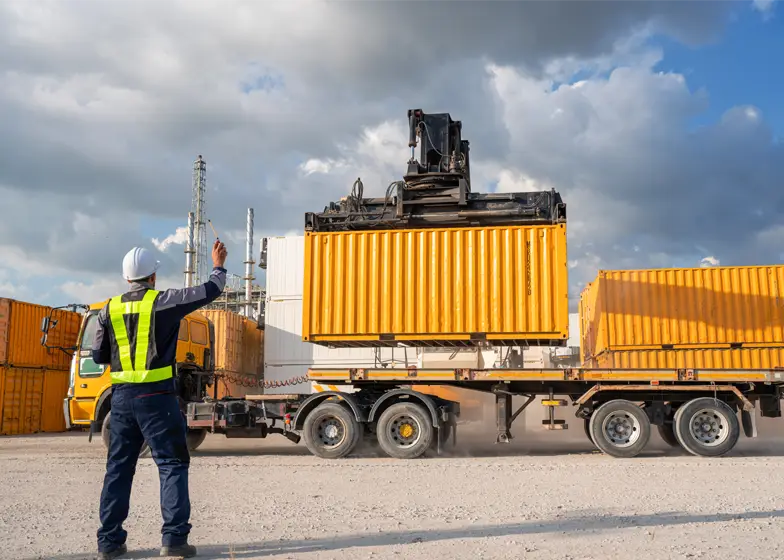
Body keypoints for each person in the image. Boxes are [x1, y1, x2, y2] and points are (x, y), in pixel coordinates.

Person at [92, 240, 228, 559]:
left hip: (121, 400)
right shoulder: (164, 302)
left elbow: (99, 355)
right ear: (153, 276)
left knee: (118, 468)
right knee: (171, 464)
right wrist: (219, 263)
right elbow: (211, 289)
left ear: (127, 279)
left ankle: (110, 543)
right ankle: (174, 541)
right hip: (158, 399)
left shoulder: (107, 309)